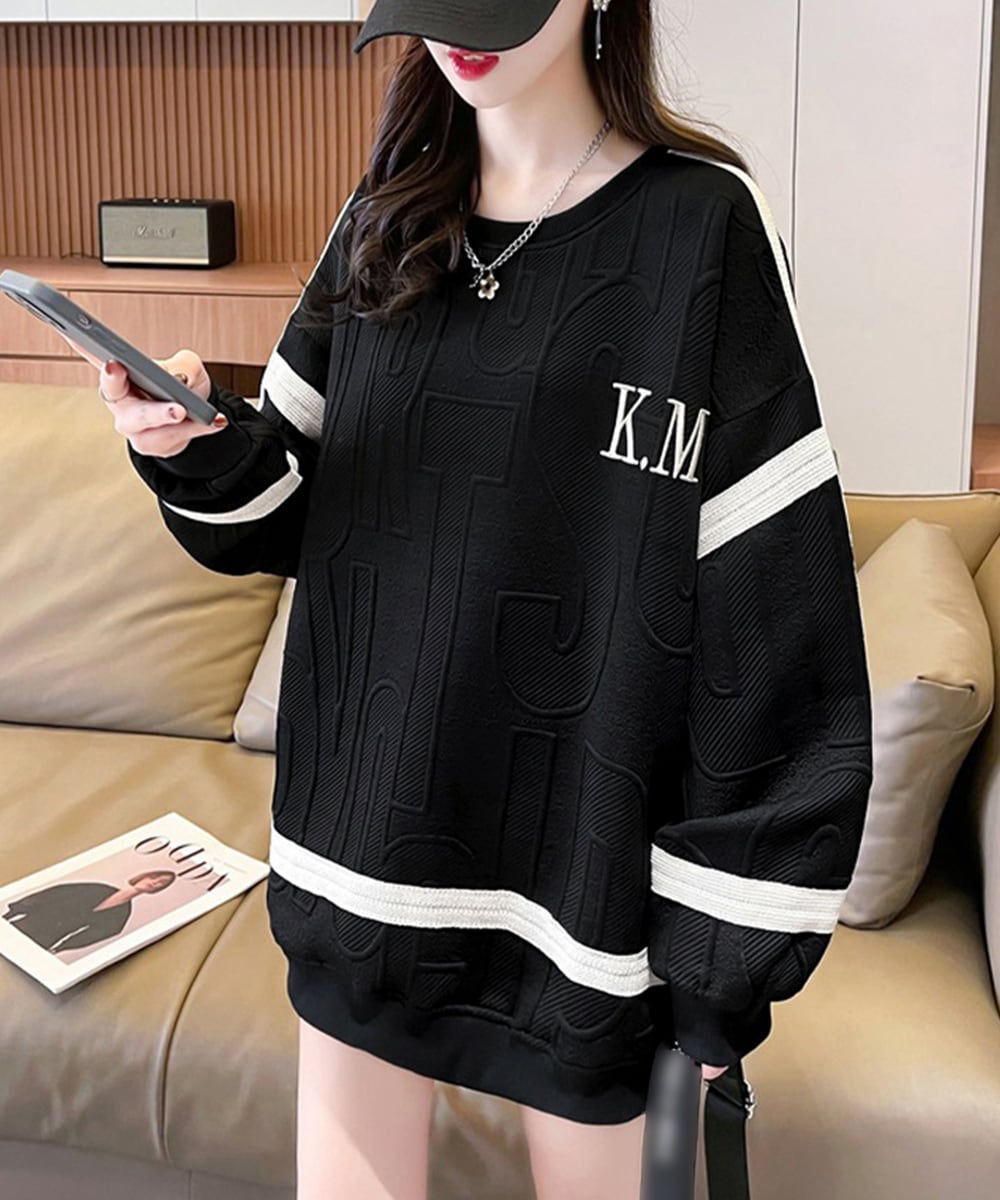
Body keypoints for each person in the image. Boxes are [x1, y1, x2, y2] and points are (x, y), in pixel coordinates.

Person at [72, 2, 874, 1197]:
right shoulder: (383, 214)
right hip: (359, 861)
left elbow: (773, 608)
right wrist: (191, 443)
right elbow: (293, 511)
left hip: (580, 905)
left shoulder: (700, 228)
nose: (462, 36)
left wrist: (722, 969)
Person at [1, 870, 176, 953]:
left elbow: (94, 935)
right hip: (27, 922)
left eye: (161, 883)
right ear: (144, 876)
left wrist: (60, 948)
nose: (154, 883)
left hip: (46, 939)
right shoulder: (97, 888)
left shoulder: (122, 914)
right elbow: (53, 893)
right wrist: (15, 910)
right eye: (155, 877)